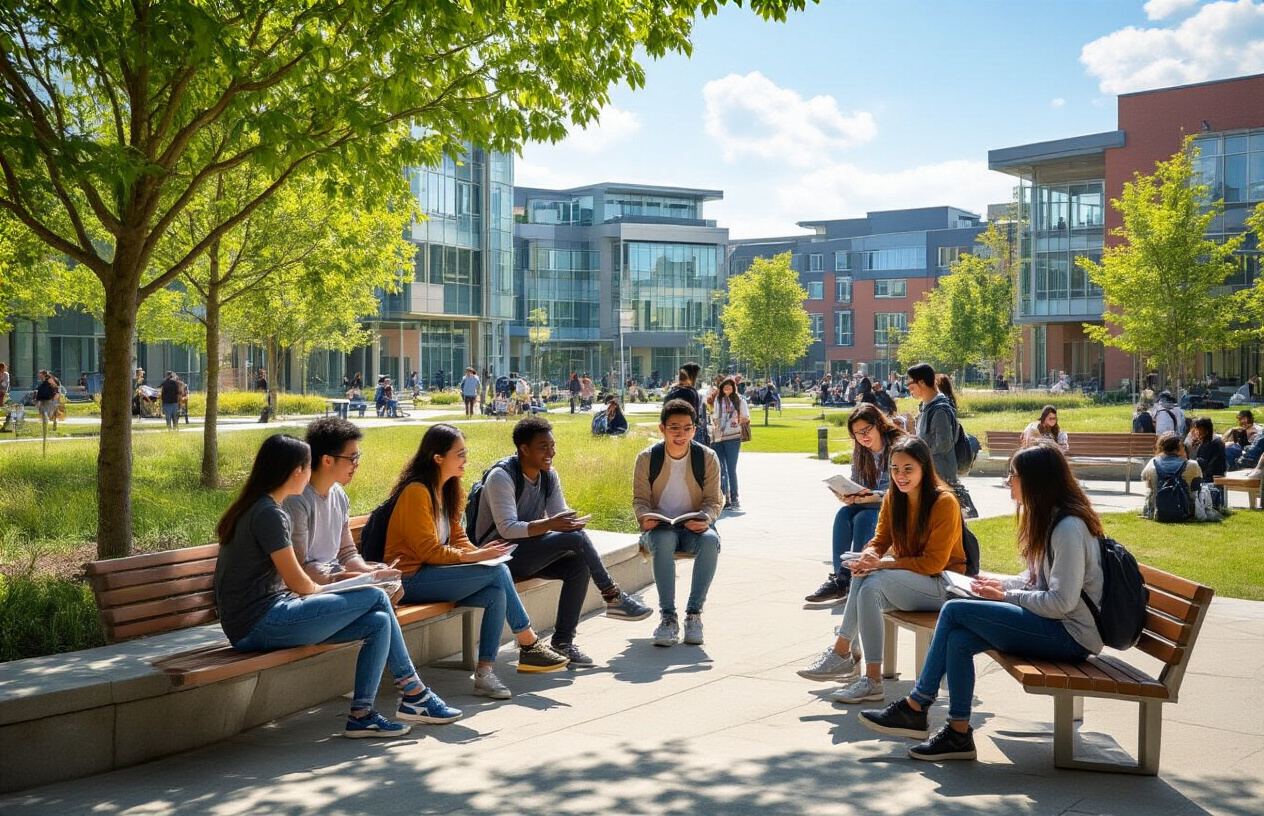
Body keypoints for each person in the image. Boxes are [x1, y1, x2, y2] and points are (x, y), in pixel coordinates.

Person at [859, 443, 1105, 763]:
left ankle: (917, 705)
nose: (1007, 481)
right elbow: (1036, 579)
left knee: (955, 609)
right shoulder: (1049, 519)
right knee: (960, 639)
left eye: (1013, 475)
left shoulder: (1069, 528)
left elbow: (1061, 601)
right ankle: (958, 733)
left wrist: (1006, 595)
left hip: (1069, 635)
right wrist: (999, 583)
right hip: (1053, 625)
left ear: (1036, 480)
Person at [213, 434, 461, 738]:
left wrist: (355, 580)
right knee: (374, 596)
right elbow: (300, 583)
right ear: (295, 472)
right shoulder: (268, 514)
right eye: (307, 466)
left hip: (268, 615)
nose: (310, 473)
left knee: (378, 622)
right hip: (258, 624)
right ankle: (414, 693)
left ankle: (363, 714)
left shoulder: (263, 507)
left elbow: (300, 581)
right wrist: (348, 586)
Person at [384, 423, 569, 699]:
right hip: (410, 579)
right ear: (438, 458)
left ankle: (485, 674)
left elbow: (457, 537)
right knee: (498, 574)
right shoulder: (417, 492)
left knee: (496, 588)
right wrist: (475, 556)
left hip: (434, 573)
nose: (465, 459)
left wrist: (483, 556)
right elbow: (427, 552)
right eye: (459, 454)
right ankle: (528, 643)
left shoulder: (446, 489)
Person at [796, 436, 966, 704]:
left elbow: (933, 563)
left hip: (943, 585)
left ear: (924, 467)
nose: (900, 476)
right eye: (895, 469)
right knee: (864, 578)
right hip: (910, 580)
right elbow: (880, 540)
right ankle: (869, 676)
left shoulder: (944, 502)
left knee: (872, 580)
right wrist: (869, 554)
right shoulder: (894, 498)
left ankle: (845, 655)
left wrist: (882, 563)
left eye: (908, 468)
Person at [471, 417, 653, 666]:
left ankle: (563, 642)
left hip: (526, 551)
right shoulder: (501, 477)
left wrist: (570, 523)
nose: (551, 453)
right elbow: (508, 529)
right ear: (523, 449)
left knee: (578, 563)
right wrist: (551, 525)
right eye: (543, 447)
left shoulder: (548, 476)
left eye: (552, 446)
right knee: (575, 539)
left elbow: (560, 515)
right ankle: (612, 596)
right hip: (498, 557)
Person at [633, 399, 723, 647]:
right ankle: (668, 618)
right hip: (661, 527)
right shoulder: (646, 458)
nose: (681, 434)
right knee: (663, 539)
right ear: (662, 429)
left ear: (694, 429)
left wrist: (705, 518)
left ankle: (694, 615)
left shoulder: (707, 457)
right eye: (674, 427)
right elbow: (640, 500)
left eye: (687, 428)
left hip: (693, 526)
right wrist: (644, 517)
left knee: (710, 542)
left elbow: (714, 501)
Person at [283, 418, 398, 600]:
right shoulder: (297, 500)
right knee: (376, 600)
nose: (357, 464)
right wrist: (349, 578)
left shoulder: (339, 495)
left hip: (331, 579)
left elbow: (347, 553)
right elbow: (298, 566)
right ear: (327, 460)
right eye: (352, 458)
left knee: (393, 591)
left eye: (358, 458)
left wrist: (369, 570)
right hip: (306, 590)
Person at [804, 404, 905, 604]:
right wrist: (848, 495)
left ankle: (855, 577)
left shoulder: (899, 447)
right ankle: (841, 578)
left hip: (895, 506)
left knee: (864, 518)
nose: (863, 437)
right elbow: (857, 483)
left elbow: (904, 488)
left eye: (866, 431)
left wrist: (875, 496)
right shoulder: (861, 452)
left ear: (879, 425)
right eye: (857, 434)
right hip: (868, 503)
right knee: (843, 514)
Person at [908, 364, 975, 518]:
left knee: (943, 523)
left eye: (910, 384)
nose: (909, 389)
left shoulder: (939, 410)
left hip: (941, 476)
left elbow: (944, 443)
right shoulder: (926, 407)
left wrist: (918, 451)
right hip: (929, 473)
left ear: (921, 383)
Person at [708, 376, 749, 509]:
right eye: (724, 388)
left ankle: (734, 496)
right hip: (719, 438)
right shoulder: (718, 401)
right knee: (721, 469)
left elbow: (746, 417)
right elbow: (715, 417)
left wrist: (737, 418)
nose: (727, 390)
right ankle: (725, 497)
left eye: (729, 387)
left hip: (733, 437)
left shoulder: (739, 400)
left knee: (731, 468)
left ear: (733, 387)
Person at [1141, 432, 1200, 519]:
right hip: (1185, 512)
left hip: (1158, 510)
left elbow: (1148, 484)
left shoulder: (1152, 463)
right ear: (1180, 448)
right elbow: (1196, 488)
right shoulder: (1192, 465)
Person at [1190, 417, 1226, 485]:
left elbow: (1202, 464)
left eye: (1198, 430)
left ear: (1205, 431)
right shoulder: (1217, 441)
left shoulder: (1209, 445)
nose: (1196, 432)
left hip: (1209, 480)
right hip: (1218, 476)